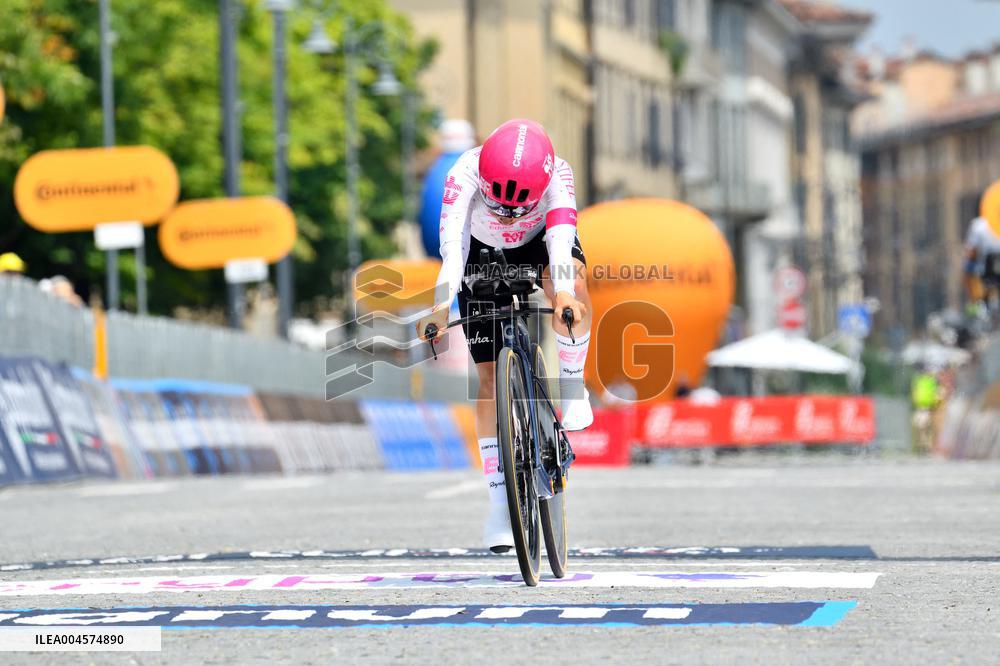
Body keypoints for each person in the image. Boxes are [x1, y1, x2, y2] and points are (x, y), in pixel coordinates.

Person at [416, 119, 592, 553]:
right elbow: (452, 251)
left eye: (516, 207)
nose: (507, 214)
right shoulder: (464, 173)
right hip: (478, 251)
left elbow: (559, 242)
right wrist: (440, 306)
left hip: (538, 244)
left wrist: (564, 295)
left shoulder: (559, 176)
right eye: (499, 204)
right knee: (491, 378)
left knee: (572, 289)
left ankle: (572, 386)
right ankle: (500, 504)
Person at [963, 216, 1000, 316]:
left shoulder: (978, 226)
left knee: (968, 267)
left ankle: (975, 303)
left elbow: (971, 253)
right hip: (990, 271)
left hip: (987, 273)